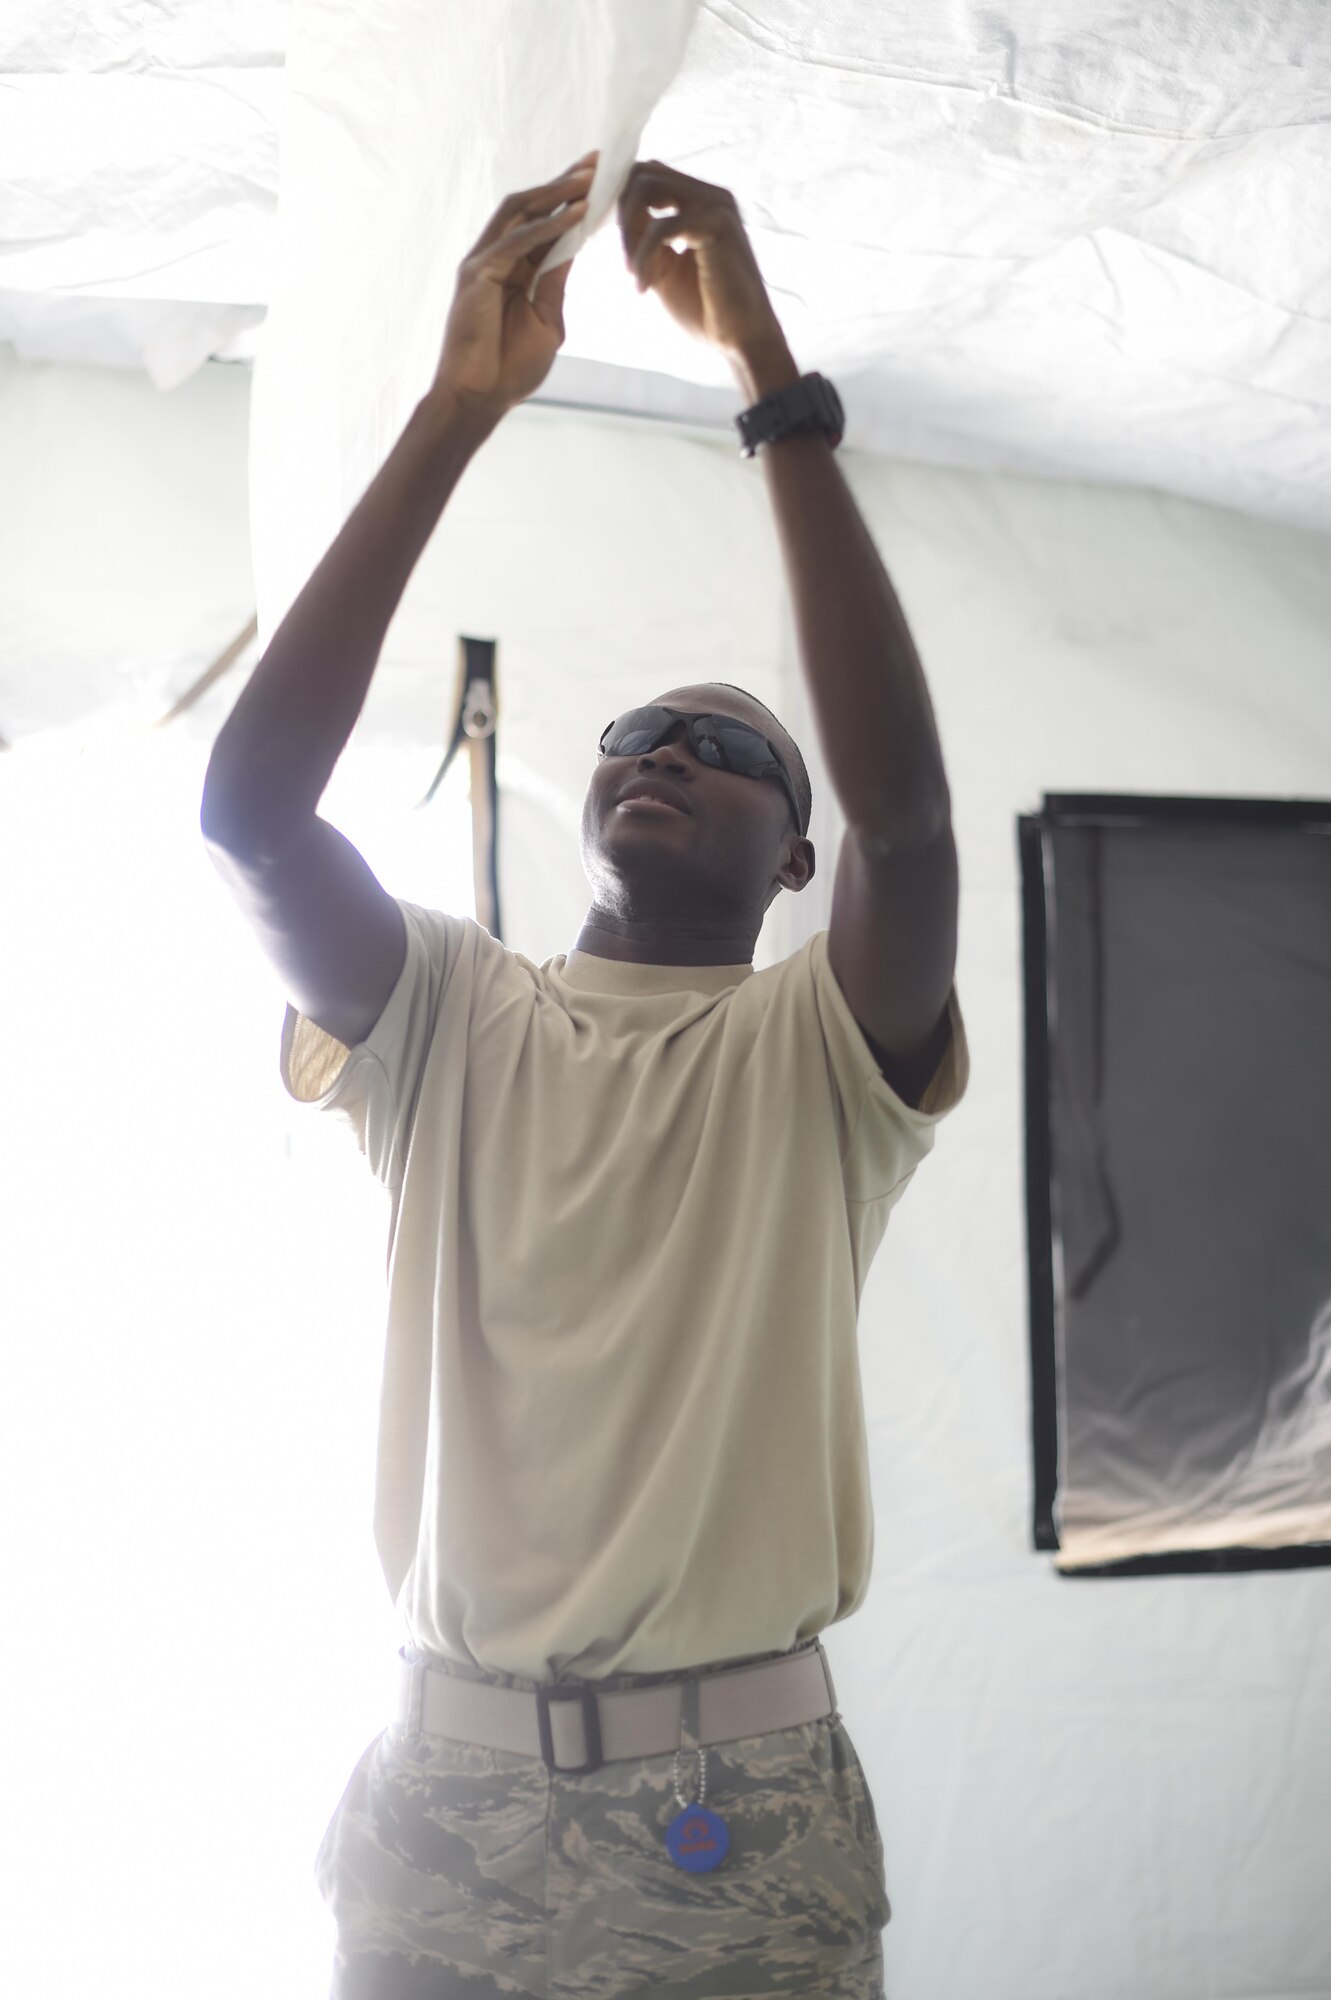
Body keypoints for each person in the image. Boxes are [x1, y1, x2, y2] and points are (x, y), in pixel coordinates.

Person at [201, 150, 969, 2000]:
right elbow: (248, 816)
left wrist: (765, 373)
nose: (660, 753)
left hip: (740, 1805)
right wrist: (460, 413)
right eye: (635, 736)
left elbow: (915, 820)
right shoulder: (446, 1017)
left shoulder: (817, 1051)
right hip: (436, 1801)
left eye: (721, 746)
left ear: (795, 857)